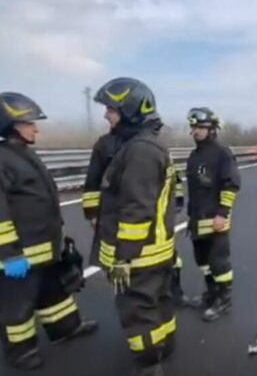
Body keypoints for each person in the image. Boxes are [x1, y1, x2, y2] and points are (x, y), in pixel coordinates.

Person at [0, 92, 98, 371]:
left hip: (44, 248)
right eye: (29, 123)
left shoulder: (23, 154)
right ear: (10, 124)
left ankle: (65, 328)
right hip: (20, 255)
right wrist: (8, 255)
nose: (36, 128)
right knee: (17, 307)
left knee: (53, 293)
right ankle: (19, 353)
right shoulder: (2, 159)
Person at [93, 77, 177, 376]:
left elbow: (136, 210)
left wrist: (123, 258)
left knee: (138, 314)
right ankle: (164, 347)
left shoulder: (139, 151)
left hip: (138, 257)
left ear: (129, 111)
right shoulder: (147, 146)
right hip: (154, 251)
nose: (106, 115)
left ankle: (148, 365)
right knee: (159, 304)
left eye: (111, 110)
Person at [81, 108, 190, 307]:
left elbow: (172, 179)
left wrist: (176, 203)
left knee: (169, 261)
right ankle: (138, 307)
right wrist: (93, 214)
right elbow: (92, 183)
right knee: (129, 279)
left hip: (153, 221)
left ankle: (173, 293)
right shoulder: (105, 145)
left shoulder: (148, 146)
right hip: (119, 221)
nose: (105, 115)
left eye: (111, 111)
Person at [185, 107, 241, 322]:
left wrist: (222, 213)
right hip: (197, 220)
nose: (196, 131)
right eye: (194, 127)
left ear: (212, 130)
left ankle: (224, 299)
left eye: (201, 127)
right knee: (202, 261)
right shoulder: (194, 156)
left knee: (218, 262)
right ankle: (210, 294)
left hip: (215, 219)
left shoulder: (222, 154)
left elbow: (231, 184)